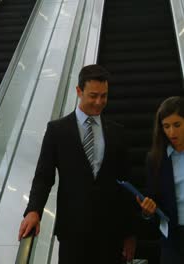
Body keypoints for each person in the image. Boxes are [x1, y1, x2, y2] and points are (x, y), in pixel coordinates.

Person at [17, 64, 136, 264]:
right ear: (79, 91)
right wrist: (34, 210)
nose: (99, 102)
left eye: (104, 96)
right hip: (73, 232)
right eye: (93, 95)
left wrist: (130, 233)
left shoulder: (117, 132)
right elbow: (44, 176)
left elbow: (126, 184)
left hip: (111, 234)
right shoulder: (57, 130)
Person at [137, 96, 184, 263]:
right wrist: (147, 211)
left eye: (177, 125)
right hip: (173, 238)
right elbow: (154, 201)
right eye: (166, 126)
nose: (172, 132)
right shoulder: (155, 159)